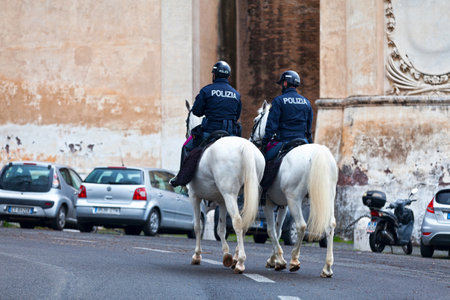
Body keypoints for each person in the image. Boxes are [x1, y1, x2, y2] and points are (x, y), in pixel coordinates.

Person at [170, 60, 242, 187]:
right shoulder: (236, 94)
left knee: (186, 147)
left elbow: (197, 112)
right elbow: (237, 116)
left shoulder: (206, 91)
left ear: (214, 75)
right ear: (228, 76)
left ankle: (182, 178)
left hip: (210, 132)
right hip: (230, 133)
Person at [261, 70, 313, 161]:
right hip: (303, 140)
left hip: (284, 141)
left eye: (281, 84)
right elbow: (309, 128)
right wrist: (310, 142)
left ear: (285, 83)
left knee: (265, 161)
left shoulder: (279, 101)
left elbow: (271, 126)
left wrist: (265, 142)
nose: (281, 86)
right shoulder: (306, 102)